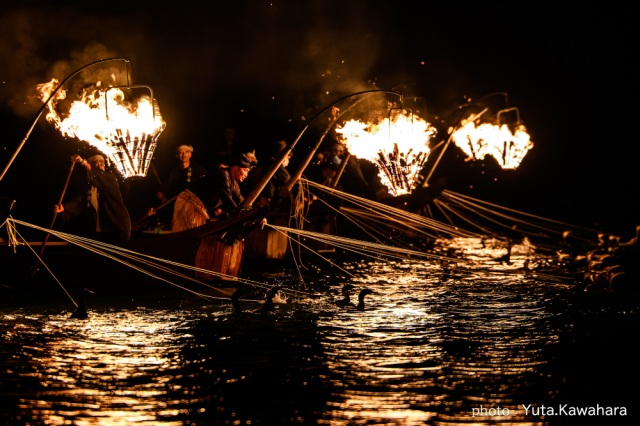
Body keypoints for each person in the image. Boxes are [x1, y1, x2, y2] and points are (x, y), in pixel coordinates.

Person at [53, 154, 131, 242]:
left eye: (101, 164)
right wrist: (63, 208)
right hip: (100, 229)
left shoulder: (110, 178)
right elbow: (79, 203)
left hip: (116, 227)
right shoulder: (89, 188)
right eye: (95, 165)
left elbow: (99, 174)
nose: (99, 167)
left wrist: (82, 162)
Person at [147, 144, 208, 228]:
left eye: (186, 152)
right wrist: (153, 206)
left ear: (190, 154)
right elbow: (164, 190)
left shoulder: (199, 169)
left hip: (195, 208)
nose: (184, 155)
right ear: (177, 155)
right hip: (179, 208)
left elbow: (206, 188)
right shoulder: (174, 172)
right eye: (181, 152)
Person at [201, 153, 253, 218]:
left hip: (202, 209)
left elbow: (241, 200)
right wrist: (240, 213)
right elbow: (228, 200)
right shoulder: (223, 175)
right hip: (193, 204)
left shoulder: (234, 184)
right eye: (245, 170)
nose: (246, 175)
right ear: (235, 168)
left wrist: (251, 210)